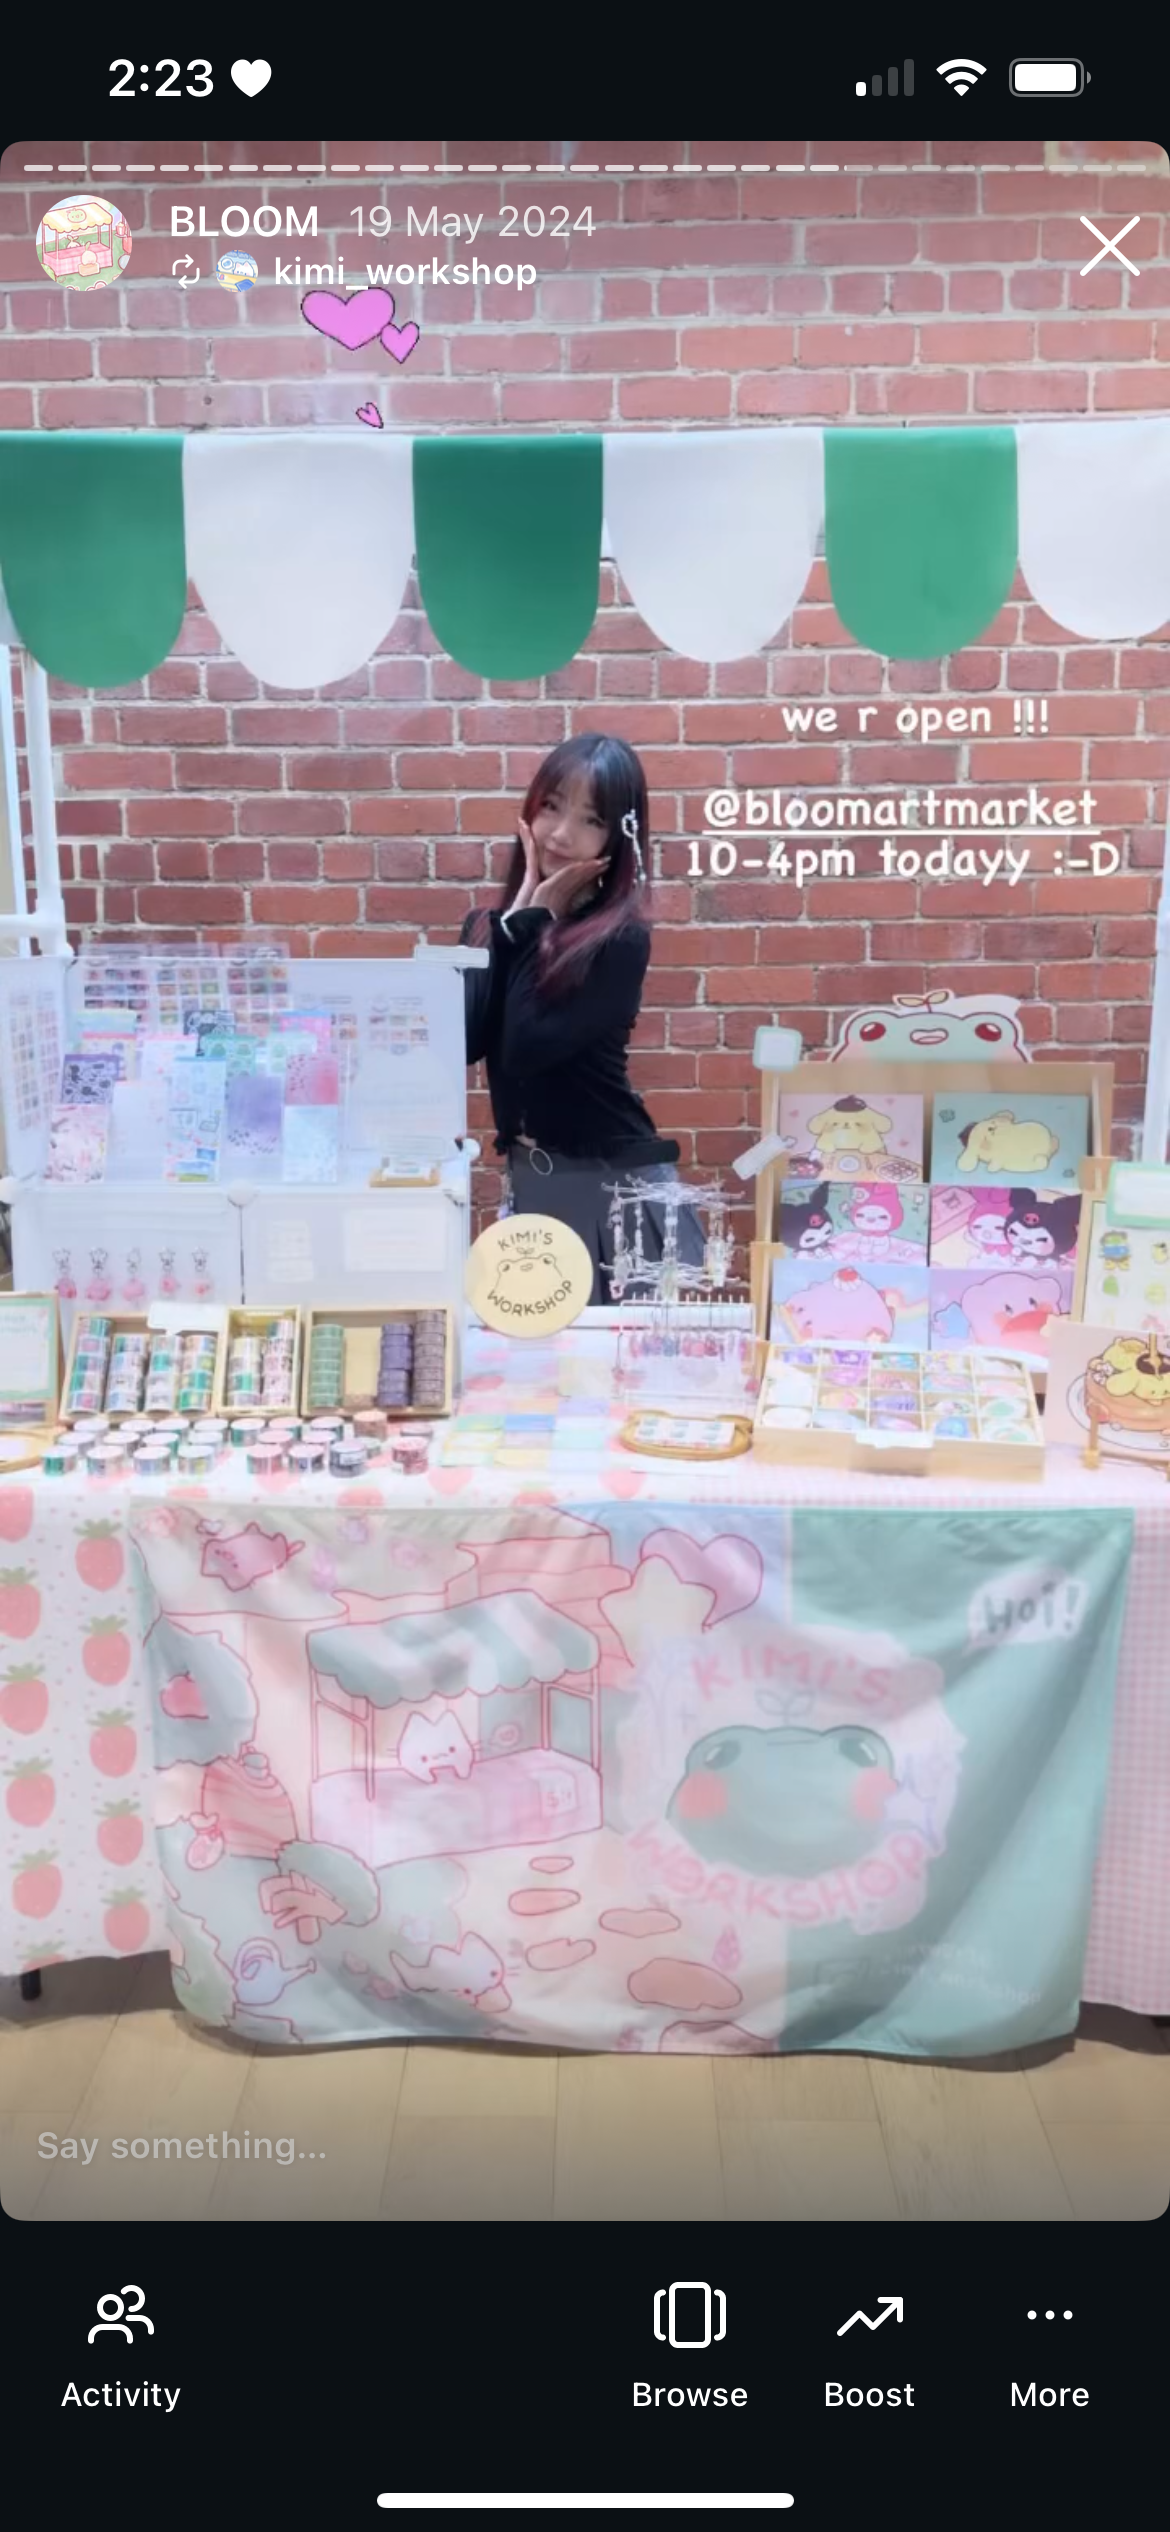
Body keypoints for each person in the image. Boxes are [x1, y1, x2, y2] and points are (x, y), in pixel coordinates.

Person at [461, 733, 704, 1303]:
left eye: (590, 819)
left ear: (618, 840)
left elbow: (523, 1046)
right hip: (535, 1179)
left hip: (615, 1186)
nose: (561, 833)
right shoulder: (487, 928)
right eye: (550, 806)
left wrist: (533, 921)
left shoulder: (619, 939)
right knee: (547, 1377)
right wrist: (517, 922)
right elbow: (467, 1042)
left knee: (631, 1378)